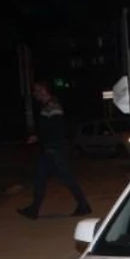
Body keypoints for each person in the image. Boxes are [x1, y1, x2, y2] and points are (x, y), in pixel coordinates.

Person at [18, 81, 91, 219]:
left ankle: (83, 205)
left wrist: (39, 137)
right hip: (52, 149)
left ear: (44, 91)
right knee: (42, 179)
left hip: (55, 150)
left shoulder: (52, 106)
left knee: (65, 178)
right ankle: (34, 209)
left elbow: (55, 129)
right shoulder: (48, 106)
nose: (35, 94)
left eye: (37, 91)